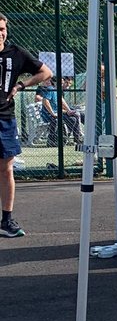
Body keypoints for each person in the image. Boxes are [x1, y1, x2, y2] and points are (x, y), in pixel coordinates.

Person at [0, 12, 53, 238]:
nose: (0, 34)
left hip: (4, 118)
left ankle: (6, 221)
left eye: (2, 29)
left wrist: (21, 85)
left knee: (6, 169)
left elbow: (46, 72)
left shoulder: (16, 53)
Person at [37, 79, 85, 146]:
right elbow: (45, 101)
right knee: (73, 119)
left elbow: (62, 101)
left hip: (58, 112)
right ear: (54, 82)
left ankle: (77, 138)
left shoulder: (57, 90)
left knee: (77, 115)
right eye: (60, 83)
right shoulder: (50, 89)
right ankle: (66, 138)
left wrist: (69, 110)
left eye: (62, 83)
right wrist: (52, 113)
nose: (62, 85)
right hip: (50, 115)